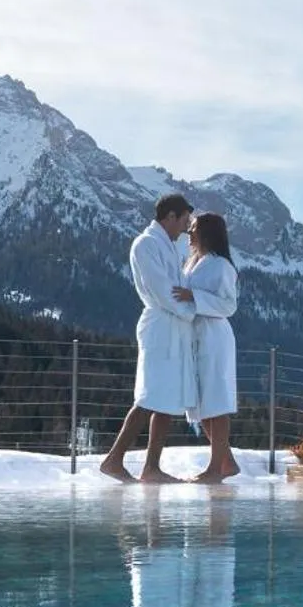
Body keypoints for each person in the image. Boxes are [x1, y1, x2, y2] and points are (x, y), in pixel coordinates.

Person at [100, 193, 197, 483]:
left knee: (166, 400)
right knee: (149, 396)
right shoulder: (145, 244)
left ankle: (151, 467)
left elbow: (177, 289)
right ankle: (114, 459)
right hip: (160, 327)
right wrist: (190, 311)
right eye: (184, 220)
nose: (186, 228)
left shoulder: (168, 247)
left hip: (172, 327)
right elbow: (162, 290)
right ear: (171, 216)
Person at [180, 212, 241, 481]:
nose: (189, 232)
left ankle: (215, 468)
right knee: (200, 403)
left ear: (207, 232)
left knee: (216, 401)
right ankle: (228, 463)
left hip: (214, 338)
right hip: (194, 337)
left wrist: (194, 296)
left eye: (194, 228)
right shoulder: (192, 263)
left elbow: (229, 305)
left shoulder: (221, 266)